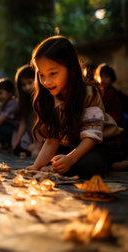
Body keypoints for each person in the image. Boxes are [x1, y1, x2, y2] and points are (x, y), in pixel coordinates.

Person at [27, 35, 125, 178]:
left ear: (70, 68)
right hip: (75, 143)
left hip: (102, 143)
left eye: (53, 73)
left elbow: (91, 137)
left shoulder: (88, 94)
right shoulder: (50, 97)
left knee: (86, 167)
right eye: (41, 75)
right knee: (55, 163)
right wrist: (36, 167)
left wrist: (71, 159)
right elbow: (52, 140)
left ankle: (114, 165)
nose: (47, 81)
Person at [12, 65, 42, 158]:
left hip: (42, 136)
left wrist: (37, 147)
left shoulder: (41, 100)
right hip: (30, 136)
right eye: (24, 85)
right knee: (18, 148)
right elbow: (23, 123)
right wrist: (16, 144)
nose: (27, 87)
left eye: (30, 82)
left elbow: (40, 124)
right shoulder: (25, 101)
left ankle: (39, 149)